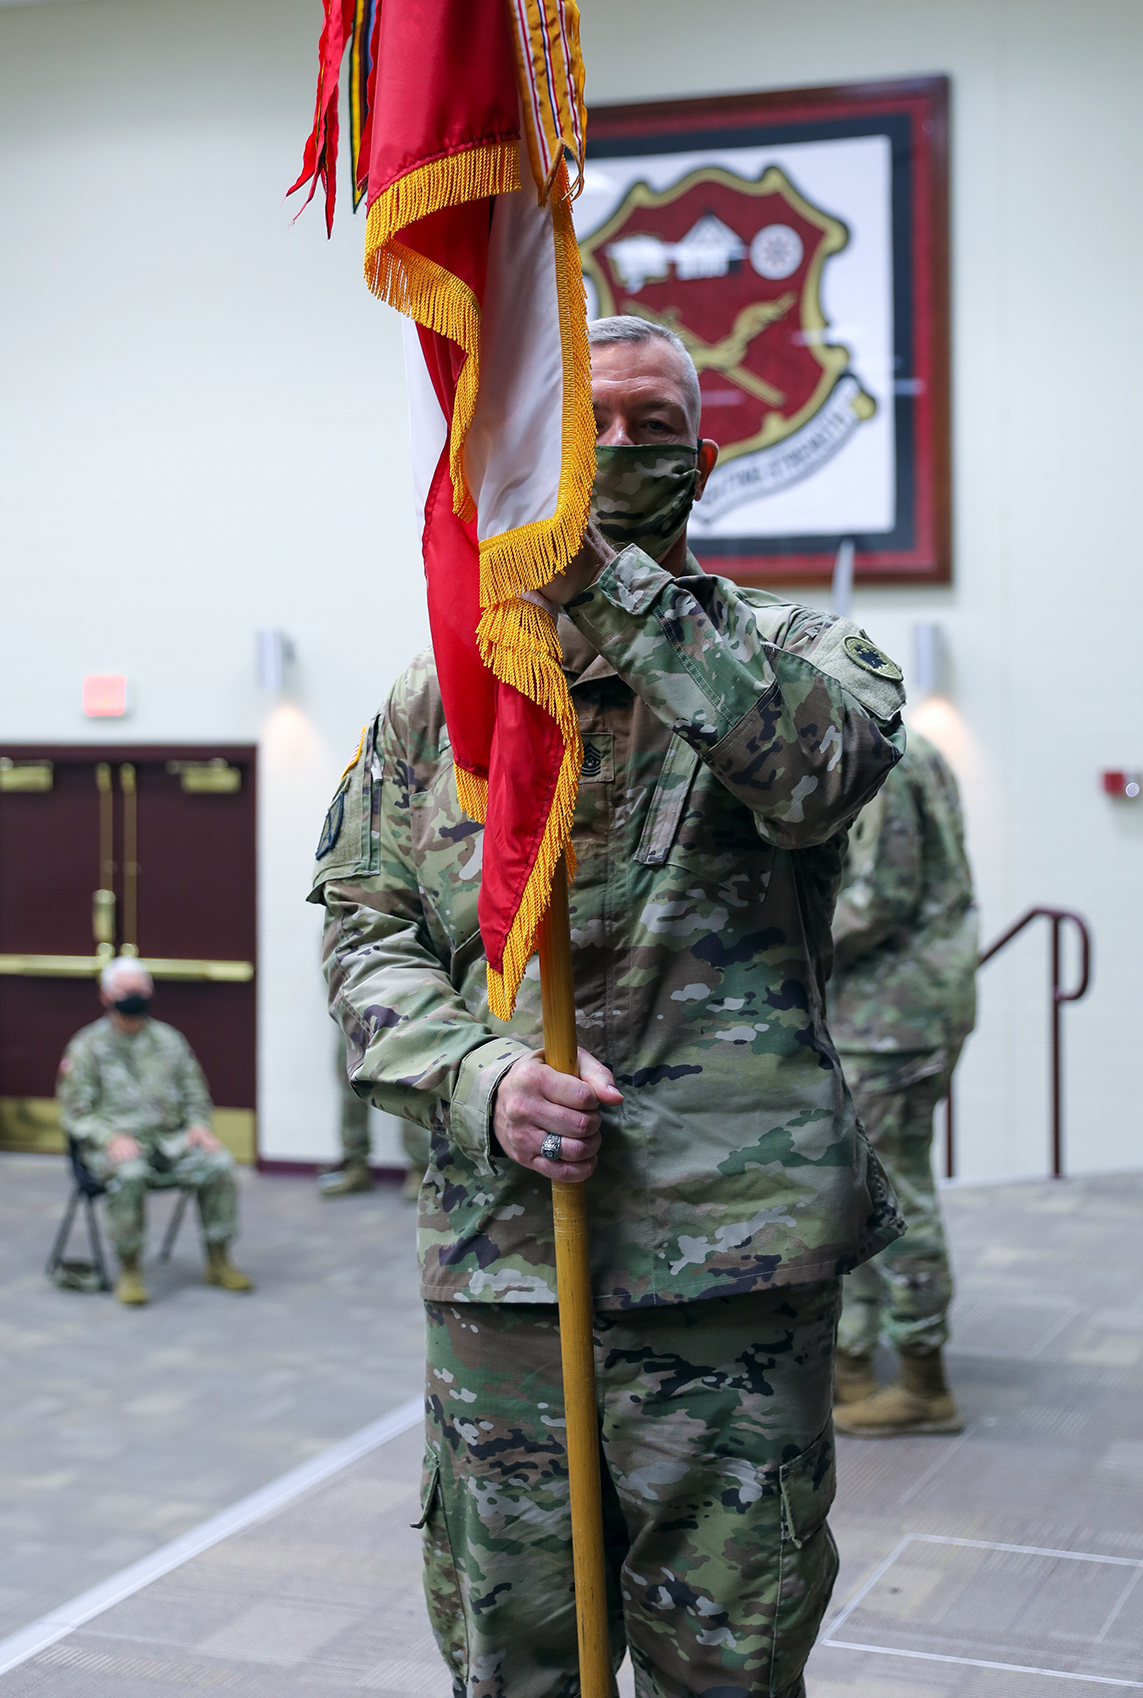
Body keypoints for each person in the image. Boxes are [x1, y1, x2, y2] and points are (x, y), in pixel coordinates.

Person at [311, 314, 908, 1698]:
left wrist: (606, 589)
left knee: (729, 1653)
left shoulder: (802, 651)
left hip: (730, 1270)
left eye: (654, 428)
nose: (624, 449)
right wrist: (478, 1078)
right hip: (507, 1262)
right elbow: (364, 939)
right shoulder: (444, 706)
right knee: (512, 1646)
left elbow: (810, 775)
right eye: (594, 425)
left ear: (704, 464)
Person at [827, 727, 978, 1437]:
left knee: (896, 1187)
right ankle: (853, 1360)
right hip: (891, 1011)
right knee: (860, 1185)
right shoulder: (906, 747)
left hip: (894, 1015)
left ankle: (924, 1378)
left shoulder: (879, 756)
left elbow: (880, 896)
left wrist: (773, 941)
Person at [56, 957, 253, 1308]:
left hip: (170, 1141)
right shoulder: (86, 1046)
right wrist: (109, 1138)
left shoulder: (170, 1040)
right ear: (106, 996)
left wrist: (198, 1126)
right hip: (115, 1146)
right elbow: (75, 1114)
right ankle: (130, 1268)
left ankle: (219, 1259)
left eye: (140, 989)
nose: (133, 996)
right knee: (129, 1173)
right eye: (125, 990)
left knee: (219, 1163)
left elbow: (196, 1094)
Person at [317, 1018, 433, 1199]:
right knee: (351, 1084)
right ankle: (355, 1165)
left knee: (409, 1080)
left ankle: (420, 1168)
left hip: (403, 1004)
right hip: (352, 1004)